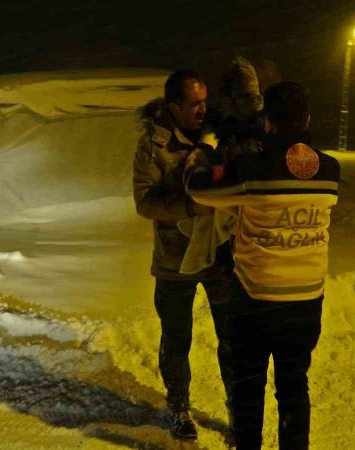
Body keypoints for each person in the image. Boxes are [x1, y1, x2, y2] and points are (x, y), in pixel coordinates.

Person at [185, 81, 340, 449]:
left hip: (256, 298)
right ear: (308, 119)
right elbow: (297, 167)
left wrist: (205, 147)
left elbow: (197, 187)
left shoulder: (252, 171)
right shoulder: (330, 171)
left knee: (248, 388)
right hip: (306, 301)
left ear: (267, 122)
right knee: (293, 387)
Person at [132, 69, 234, 440]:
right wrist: (190, 207)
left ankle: (238, 409)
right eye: (193, 103)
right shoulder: (154, 144)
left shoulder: (220, 134)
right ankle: (178, 408)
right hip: (174, 258)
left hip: (218, 255)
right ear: (173, 106)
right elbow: (145, 202)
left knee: (232, 338)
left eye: (205, 100)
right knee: (176, 338)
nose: (202, 109)